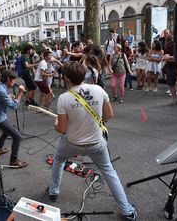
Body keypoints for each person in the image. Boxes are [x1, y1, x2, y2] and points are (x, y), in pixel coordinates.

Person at [48, 61, 136, 221]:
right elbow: (109, 115)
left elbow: (61, 129)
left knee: (59, 159)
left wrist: (56, 124)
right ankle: (127, 210)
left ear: (66, 78)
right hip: (96, 143)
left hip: (71, 143)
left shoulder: (64, 98)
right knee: (109, 171)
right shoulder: (98, 89)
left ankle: (53, 192)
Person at [0, 70, 29, 168]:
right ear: (8, 79)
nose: (15, 82)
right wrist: (20, 93)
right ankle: (13, 161)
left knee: (6, 131)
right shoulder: (1, 90)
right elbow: (14, 106)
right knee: (17, 137)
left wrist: (8, 96)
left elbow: (0, 98)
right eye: (14, 80)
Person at [163, 35, 177, 105]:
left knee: (172, 84)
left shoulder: (168, 46)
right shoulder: (170, 46)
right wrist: (175, 58)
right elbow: (167, 58)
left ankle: (174, 99)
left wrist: (171, 58)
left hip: (172, 67)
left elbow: (167, 58)